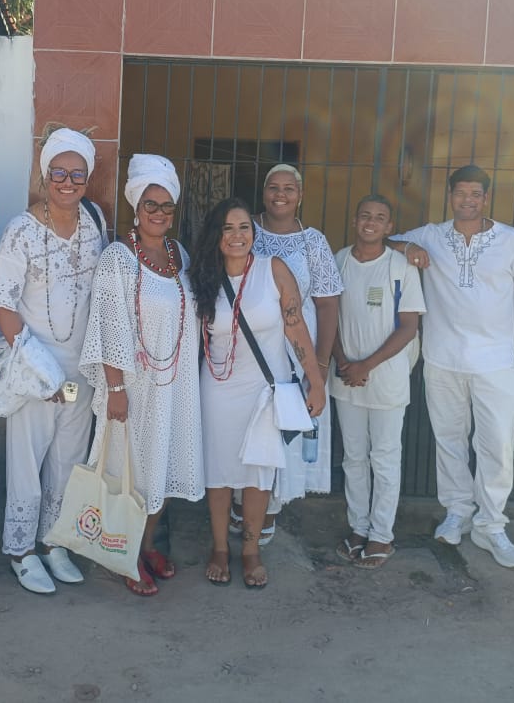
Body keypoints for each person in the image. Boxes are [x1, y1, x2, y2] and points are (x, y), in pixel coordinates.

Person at [390, 165, 514, 568]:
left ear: (485, 198)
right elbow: (384, 240)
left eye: (475, 194)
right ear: (451, 196)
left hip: (495, 362)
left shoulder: (513, 241)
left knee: (496, 444)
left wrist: (504, 323)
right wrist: (407, 249)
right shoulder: (430, 234)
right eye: (461, 193)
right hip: (442, 358)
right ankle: (457, 510)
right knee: (450, 439)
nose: (468, 201)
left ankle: (492, 525)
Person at [0, 127, 107, 594]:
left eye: (77, 174)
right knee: (26, 460)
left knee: (68, 460)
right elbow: (2, 303)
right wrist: (42, 367)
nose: (67, 181)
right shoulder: (22, 230)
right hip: (36, 369)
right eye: (59, 171)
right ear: (45, 174)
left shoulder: (95, 221)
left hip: (83, 369)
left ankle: (54, 541)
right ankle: (20, 549)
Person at [80, 154, 204, 597]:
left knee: (161, 466)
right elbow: (107, 323)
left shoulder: (179, 255)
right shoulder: (118, 257)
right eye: (150, 205)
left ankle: (147, 545)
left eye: (166, 207)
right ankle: (122, 555)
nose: (158, 213)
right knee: (127, 471)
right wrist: (114, 386)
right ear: (136, 207)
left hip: (174, 384)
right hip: (132, 386)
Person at [190, 197, 326, 589]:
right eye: (228, 229)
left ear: (254, 233)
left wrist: (314, 380)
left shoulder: (273, 270)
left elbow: (296, 328)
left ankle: (250, 551)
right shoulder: (203, 277)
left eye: (244, 228)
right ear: (216, 236)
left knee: (257, 473)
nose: (237, 236)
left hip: (266, 388)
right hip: (218, 387)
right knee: (218, 472)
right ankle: (219, 548)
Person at [233, 163, 343, 543]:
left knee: (282, 425)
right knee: (245, 419)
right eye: (273, 188)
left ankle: (269, 508)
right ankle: (239, 496)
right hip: (250, 346)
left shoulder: (313, 241)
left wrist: (321, 364)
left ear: (300, 195)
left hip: (298, 350)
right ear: (263, 193)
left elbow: (328, 305)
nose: (280, 195)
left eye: (289, 189)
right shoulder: (245, 229)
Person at [331, 195, 424, 568]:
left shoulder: (400, 266)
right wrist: (342, 361)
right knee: (353, 457)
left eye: (380, 218)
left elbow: (409, 326)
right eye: (365, 215)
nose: (371, 222)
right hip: (346, 376)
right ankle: (358, 528)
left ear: (389, 227)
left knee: (384, 458)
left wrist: (366, 364)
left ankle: (382, 536)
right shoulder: (339, 261)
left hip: (386, 377)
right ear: (355, 220)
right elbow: (329, 316)